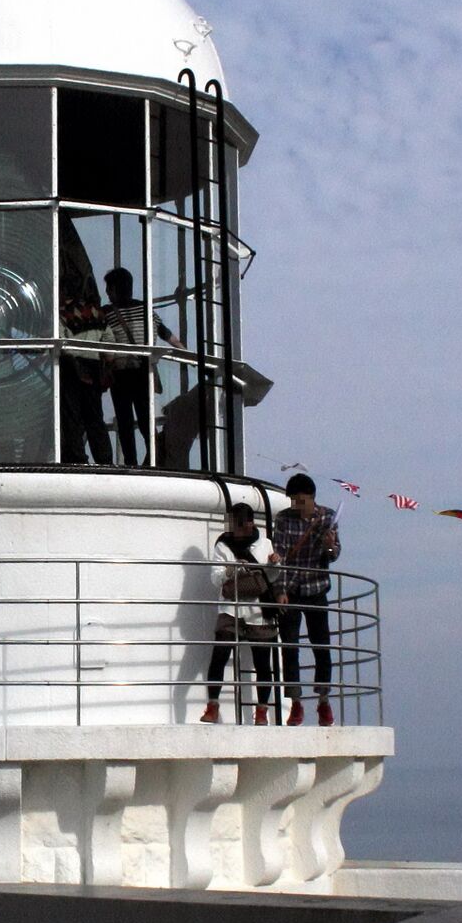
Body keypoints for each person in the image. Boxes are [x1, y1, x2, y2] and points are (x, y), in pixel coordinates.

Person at [200, 503, 280, 724]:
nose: (233, 529)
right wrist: (232, 569)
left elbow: (271, 578)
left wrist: (275, 564)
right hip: (231, 608)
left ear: (249, 524)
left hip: (258, 609)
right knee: (219, 655)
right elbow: (215, 578)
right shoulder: (223, 545)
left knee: (262, 662)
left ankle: (262, 710)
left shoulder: (265, 544)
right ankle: (213, 705)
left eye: (238, 524)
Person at [274, 473, 341, 727]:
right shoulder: (283, 519)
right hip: (291, 589)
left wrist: (329, 545)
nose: (296, 506)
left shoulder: (327, 517)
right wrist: (280, 590)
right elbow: (280, 555)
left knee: (321, 646)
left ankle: (323, 700)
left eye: (300, 501)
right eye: (293, 501)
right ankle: (295, 703)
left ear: (312, 498)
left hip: (316, 587)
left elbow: (333, 555)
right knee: (290, 648)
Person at [102, 266, 184, 467]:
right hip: (143, 372)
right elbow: (170, 337)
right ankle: (156, 458)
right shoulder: (146, 311)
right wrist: (188, 356)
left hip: (120, 374)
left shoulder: (107, 313)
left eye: (109, 288)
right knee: (146, 420)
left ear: (114, 288)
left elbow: (103, 342)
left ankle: (131, 462)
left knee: (125, 422)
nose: (107, 293)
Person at [59, 276, 113, 464]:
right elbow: (110, 342)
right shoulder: (96, 312)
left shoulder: (62, 314)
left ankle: (76, 457)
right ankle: (104, 458)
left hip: (71, 367)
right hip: (94, 367)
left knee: (72, 415)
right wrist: (106, 365)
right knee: (95, 416)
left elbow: (61, 343)